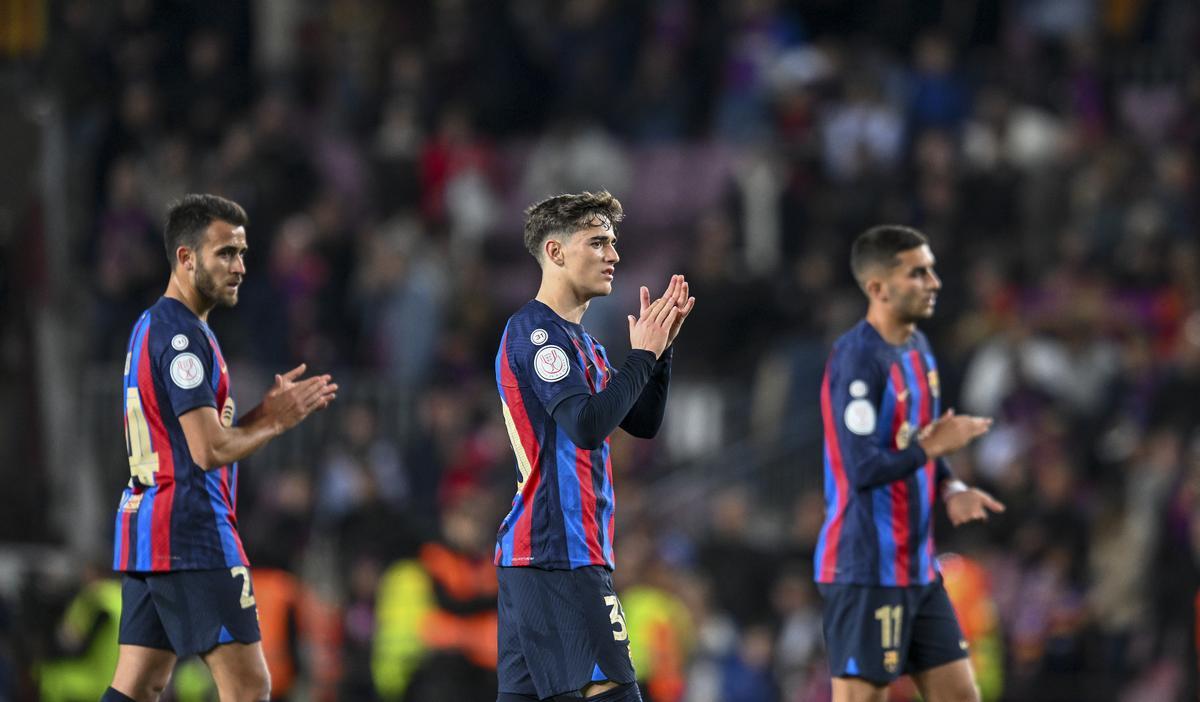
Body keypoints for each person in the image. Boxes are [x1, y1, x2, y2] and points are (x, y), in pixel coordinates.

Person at [103, 194, 338, 702]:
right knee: (250, 686)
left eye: (243, 253)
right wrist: (275, 423)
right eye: (225, 254)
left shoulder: (155, 325)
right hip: (191, 530)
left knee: (140, 684)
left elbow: (191, 440)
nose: (240, 267)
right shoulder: (185, 337)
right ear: (186, 258)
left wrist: (258, 414)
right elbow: (207, 451)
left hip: (152, 526)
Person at [493, 190, 694, 702]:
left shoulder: (583, 342)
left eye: (614, 242)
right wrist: (641, 357)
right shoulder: (537, 334)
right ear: (556, 253)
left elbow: (641, 422)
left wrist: (658, 354)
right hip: (559, 552)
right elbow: (586, 425)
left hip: (552, 555)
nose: (614, 255)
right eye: (598, 242)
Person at [815, 225, 1005, 702]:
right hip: (865, 567)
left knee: (962, 694)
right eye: (918, 273)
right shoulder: (856, 359)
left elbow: (918, 441)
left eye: (932, 269)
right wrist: (933, 451)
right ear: (878, 288)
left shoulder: (918, 349)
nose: (934, 282)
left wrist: (949, 487)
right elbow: (862, 469)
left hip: (917, 568)